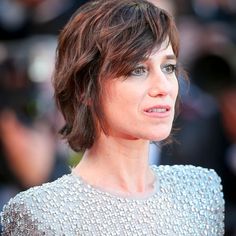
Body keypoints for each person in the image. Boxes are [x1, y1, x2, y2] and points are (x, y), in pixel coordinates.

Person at [0, 0, 224, 235]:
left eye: (168, 68)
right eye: (138, 70)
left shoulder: (200, 190)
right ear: (84, 88)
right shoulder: (37, 213)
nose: (164, 87)